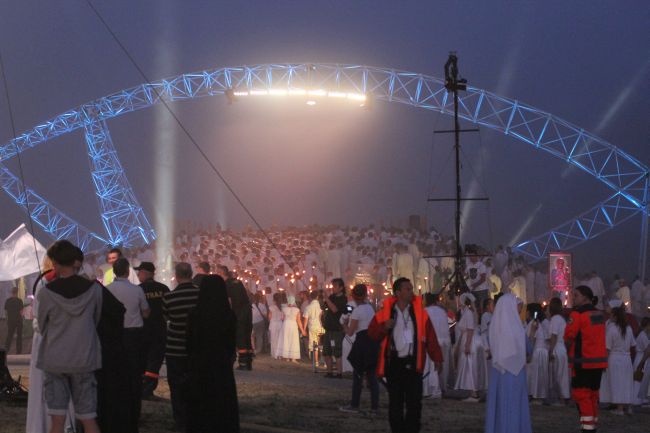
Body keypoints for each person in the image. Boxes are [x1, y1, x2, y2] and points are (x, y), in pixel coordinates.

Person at [36, 240, 103, 433]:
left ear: (55, 264)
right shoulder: (94, 289)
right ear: (75, 262)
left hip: (55, 359)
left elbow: (42, 325)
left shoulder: (46, 293)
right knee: (88, 418)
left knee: (57, 420)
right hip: (84, 357)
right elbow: (95, 320)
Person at [368, 277, 443, 433]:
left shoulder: (420, 314)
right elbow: (372, 334)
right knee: (395, 403)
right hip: (394, 364)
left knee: (414, 404)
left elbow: (430, 336)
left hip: (413, 364)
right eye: (407, 289)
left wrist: (437, 357)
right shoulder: (384, 313)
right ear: (398, 292)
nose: (411, 292)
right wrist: (384, 327)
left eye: (411, 289)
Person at [186, 275, 239, 433]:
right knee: (222, 403)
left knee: (201, 403)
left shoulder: (195, 315)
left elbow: (189, 342)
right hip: (221, 365)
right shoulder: (228, 316)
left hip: (199, 365)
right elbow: (231, 343)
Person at [106, 257, 150, 427]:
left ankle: (115, 409)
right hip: (133, 335)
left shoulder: (107, 289)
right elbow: (146, 313)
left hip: (115, 335)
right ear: (127, 271)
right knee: (134, 374)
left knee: (115, 373)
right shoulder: (136, 290)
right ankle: (134, 411)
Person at [484, 293, 532, 433]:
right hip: (516, 374)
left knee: (499, 406)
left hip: (498, 373)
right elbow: (529, 349)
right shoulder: (517, 328)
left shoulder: (493, 327)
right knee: (515, 406)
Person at [163, 262, 200, 431]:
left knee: (176, 388)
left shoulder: (169, 297)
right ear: (191, 274)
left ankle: (180, 421)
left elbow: (165, 320)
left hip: (175, 349)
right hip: (196, 349)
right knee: (196, 385)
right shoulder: (200, 295)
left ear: (176, 276)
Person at [565, 285, 607, 433]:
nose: (573, 298)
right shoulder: (599, 314)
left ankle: (588, 428)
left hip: (582, 362)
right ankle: (592, 425)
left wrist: (567, 349)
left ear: (584, 297)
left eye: (575, 295)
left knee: (582, 396)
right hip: (598, 362)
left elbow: (569, 336)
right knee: (593, 395)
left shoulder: (577, 314)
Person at [339, 284, 380, 414]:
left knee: (358, 375)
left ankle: (354, 404)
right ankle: (374, 407)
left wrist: (345, 325)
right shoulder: (370, 307)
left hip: (360, 341)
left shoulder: (352, 306)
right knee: (372, 377)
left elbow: (345, 322)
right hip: (372, 341)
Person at [134, 261, 170, 399]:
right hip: (159, 330)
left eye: (140, 272)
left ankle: (141, 388)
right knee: (155, 361)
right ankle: (148, 389)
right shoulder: (164, 288)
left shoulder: (139, 289)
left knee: (142, 359)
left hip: (143, 330)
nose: (138, 275)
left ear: (146, 273)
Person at [599, 299, 636, 415]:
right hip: (626, 359)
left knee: (617, 383)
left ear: (614, 315)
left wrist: (604, 362)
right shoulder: (628, 328)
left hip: (614, 359)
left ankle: (619, 408)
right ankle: (628, 406)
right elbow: (632, 345)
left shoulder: (612, 329)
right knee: (626, 382)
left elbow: (607, 348)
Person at [216, 265, 254, 371]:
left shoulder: (226, 285)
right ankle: (248, 363)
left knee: (240, 337)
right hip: (247, 311)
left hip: (238, 314)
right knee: (247, 336)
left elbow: (229, 302)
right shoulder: (238, 282)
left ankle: (243, 364)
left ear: (220, 273)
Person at [423, 292, 452, 397]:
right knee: (443, 365)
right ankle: (442, 386)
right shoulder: (442, 312)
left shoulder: (425, 311)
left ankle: (431, 388)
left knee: (431, 367)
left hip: (433, 341)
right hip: (444, 340)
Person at [454, 292, 481, 401]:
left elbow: (470, 330)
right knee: (468, 366)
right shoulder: (467, 312)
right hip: (467, 339)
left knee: (469, 366)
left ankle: (474, 392)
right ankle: (472, 391)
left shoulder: (468, 313)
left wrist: (467, 345)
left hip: (469, 340)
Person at [321, 278, 348, 378]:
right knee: (326, 351)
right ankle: (329, 371)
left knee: (337, 351)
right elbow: (324, 307)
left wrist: (327, 298)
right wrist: (324, 299)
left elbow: (335, 309)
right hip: (328, 328)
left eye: (335, 286)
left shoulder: (344, 299)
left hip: (337, 329)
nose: (333, 288)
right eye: (332, 286)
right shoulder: (332, 296)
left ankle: (339, 372)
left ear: (341, 288)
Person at [547, 297, 570, 404]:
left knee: (558, 373)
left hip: (557, 348)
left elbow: (554, 336)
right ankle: (563, 396)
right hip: (562, 348)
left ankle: (561, 397)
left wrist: (551, 351)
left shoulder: (555, 319)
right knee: (562, 374)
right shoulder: (561, 319)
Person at [303, 290, 324, 365]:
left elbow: (305, 319)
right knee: (319, 342)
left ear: (310, 298)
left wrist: (304, 329)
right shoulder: (319, 306)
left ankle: (316, 361)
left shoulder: (308, 307)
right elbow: (321, 316)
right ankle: (321, 358)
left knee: (314, 343)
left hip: (312, 326)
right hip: (319, 325)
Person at [4, 286, 23, 354]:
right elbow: (21, 312)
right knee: (19, 336)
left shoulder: (8, 301)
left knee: (9, 336)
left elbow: (6, 312)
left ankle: (6, 350)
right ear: (17, 292)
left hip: (11, 321)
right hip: (18, 321)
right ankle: (18, 351)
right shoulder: (19, 301)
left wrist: (7, 320)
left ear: (12, 292)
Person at [268, 292, 284, 359]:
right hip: (280, 324)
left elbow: (269, 317)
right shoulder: (282, 307)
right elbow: (283, 317)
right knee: (280, 339)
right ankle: (280, 354)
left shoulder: (271, 307)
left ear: (273, 299)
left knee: (274, 339)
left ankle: (275, 354)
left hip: (273, 324)